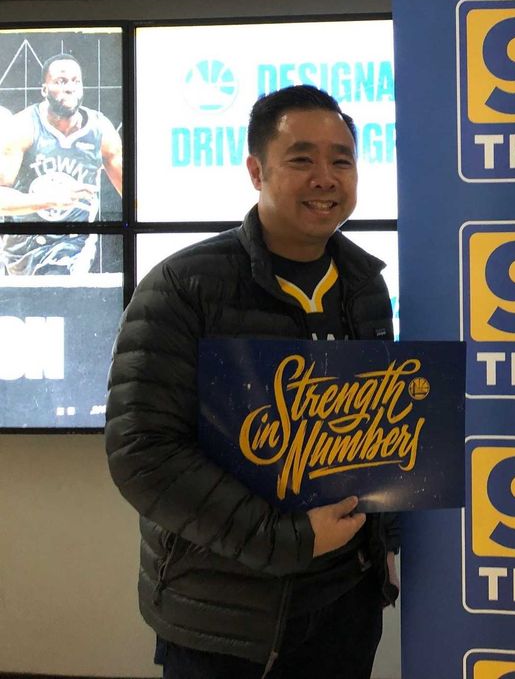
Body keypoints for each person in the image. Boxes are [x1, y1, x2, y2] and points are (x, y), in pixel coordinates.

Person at [105, 85, 398, 678]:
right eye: (302, 159)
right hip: (223, 617)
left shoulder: (366, 287)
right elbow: (143, 454)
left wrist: (383, 540)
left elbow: (374, 434)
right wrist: (286, 538)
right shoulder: (183, 286)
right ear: (256, 171)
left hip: (345, 602)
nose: (325, 177)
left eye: (341, 160)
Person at [0, 52, 123, 275]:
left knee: (62, 275)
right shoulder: (23, 127)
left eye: (76, 81)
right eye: (61, 81)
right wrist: (46, 200)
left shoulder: (101, 130)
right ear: (44, 89)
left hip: (74, 244)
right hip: (24, 245)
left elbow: (133, 195)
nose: (70, 88)